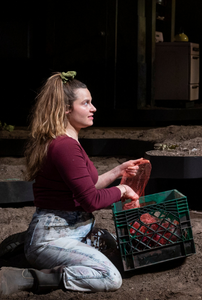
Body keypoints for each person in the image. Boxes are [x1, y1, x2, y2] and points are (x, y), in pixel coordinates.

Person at [0, 72, 144, 296]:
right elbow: (90, 200)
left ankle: (27, 245)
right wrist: (122, 190)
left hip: (69, 229)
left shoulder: (66, 142)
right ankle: (28, 277)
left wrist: (118, 171)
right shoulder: (65, 147)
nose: (93, 108)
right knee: (109, 277)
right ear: (67, 109)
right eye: (85, 103)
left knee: (112, 244)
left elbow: (89, 185)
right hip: (55, 235)